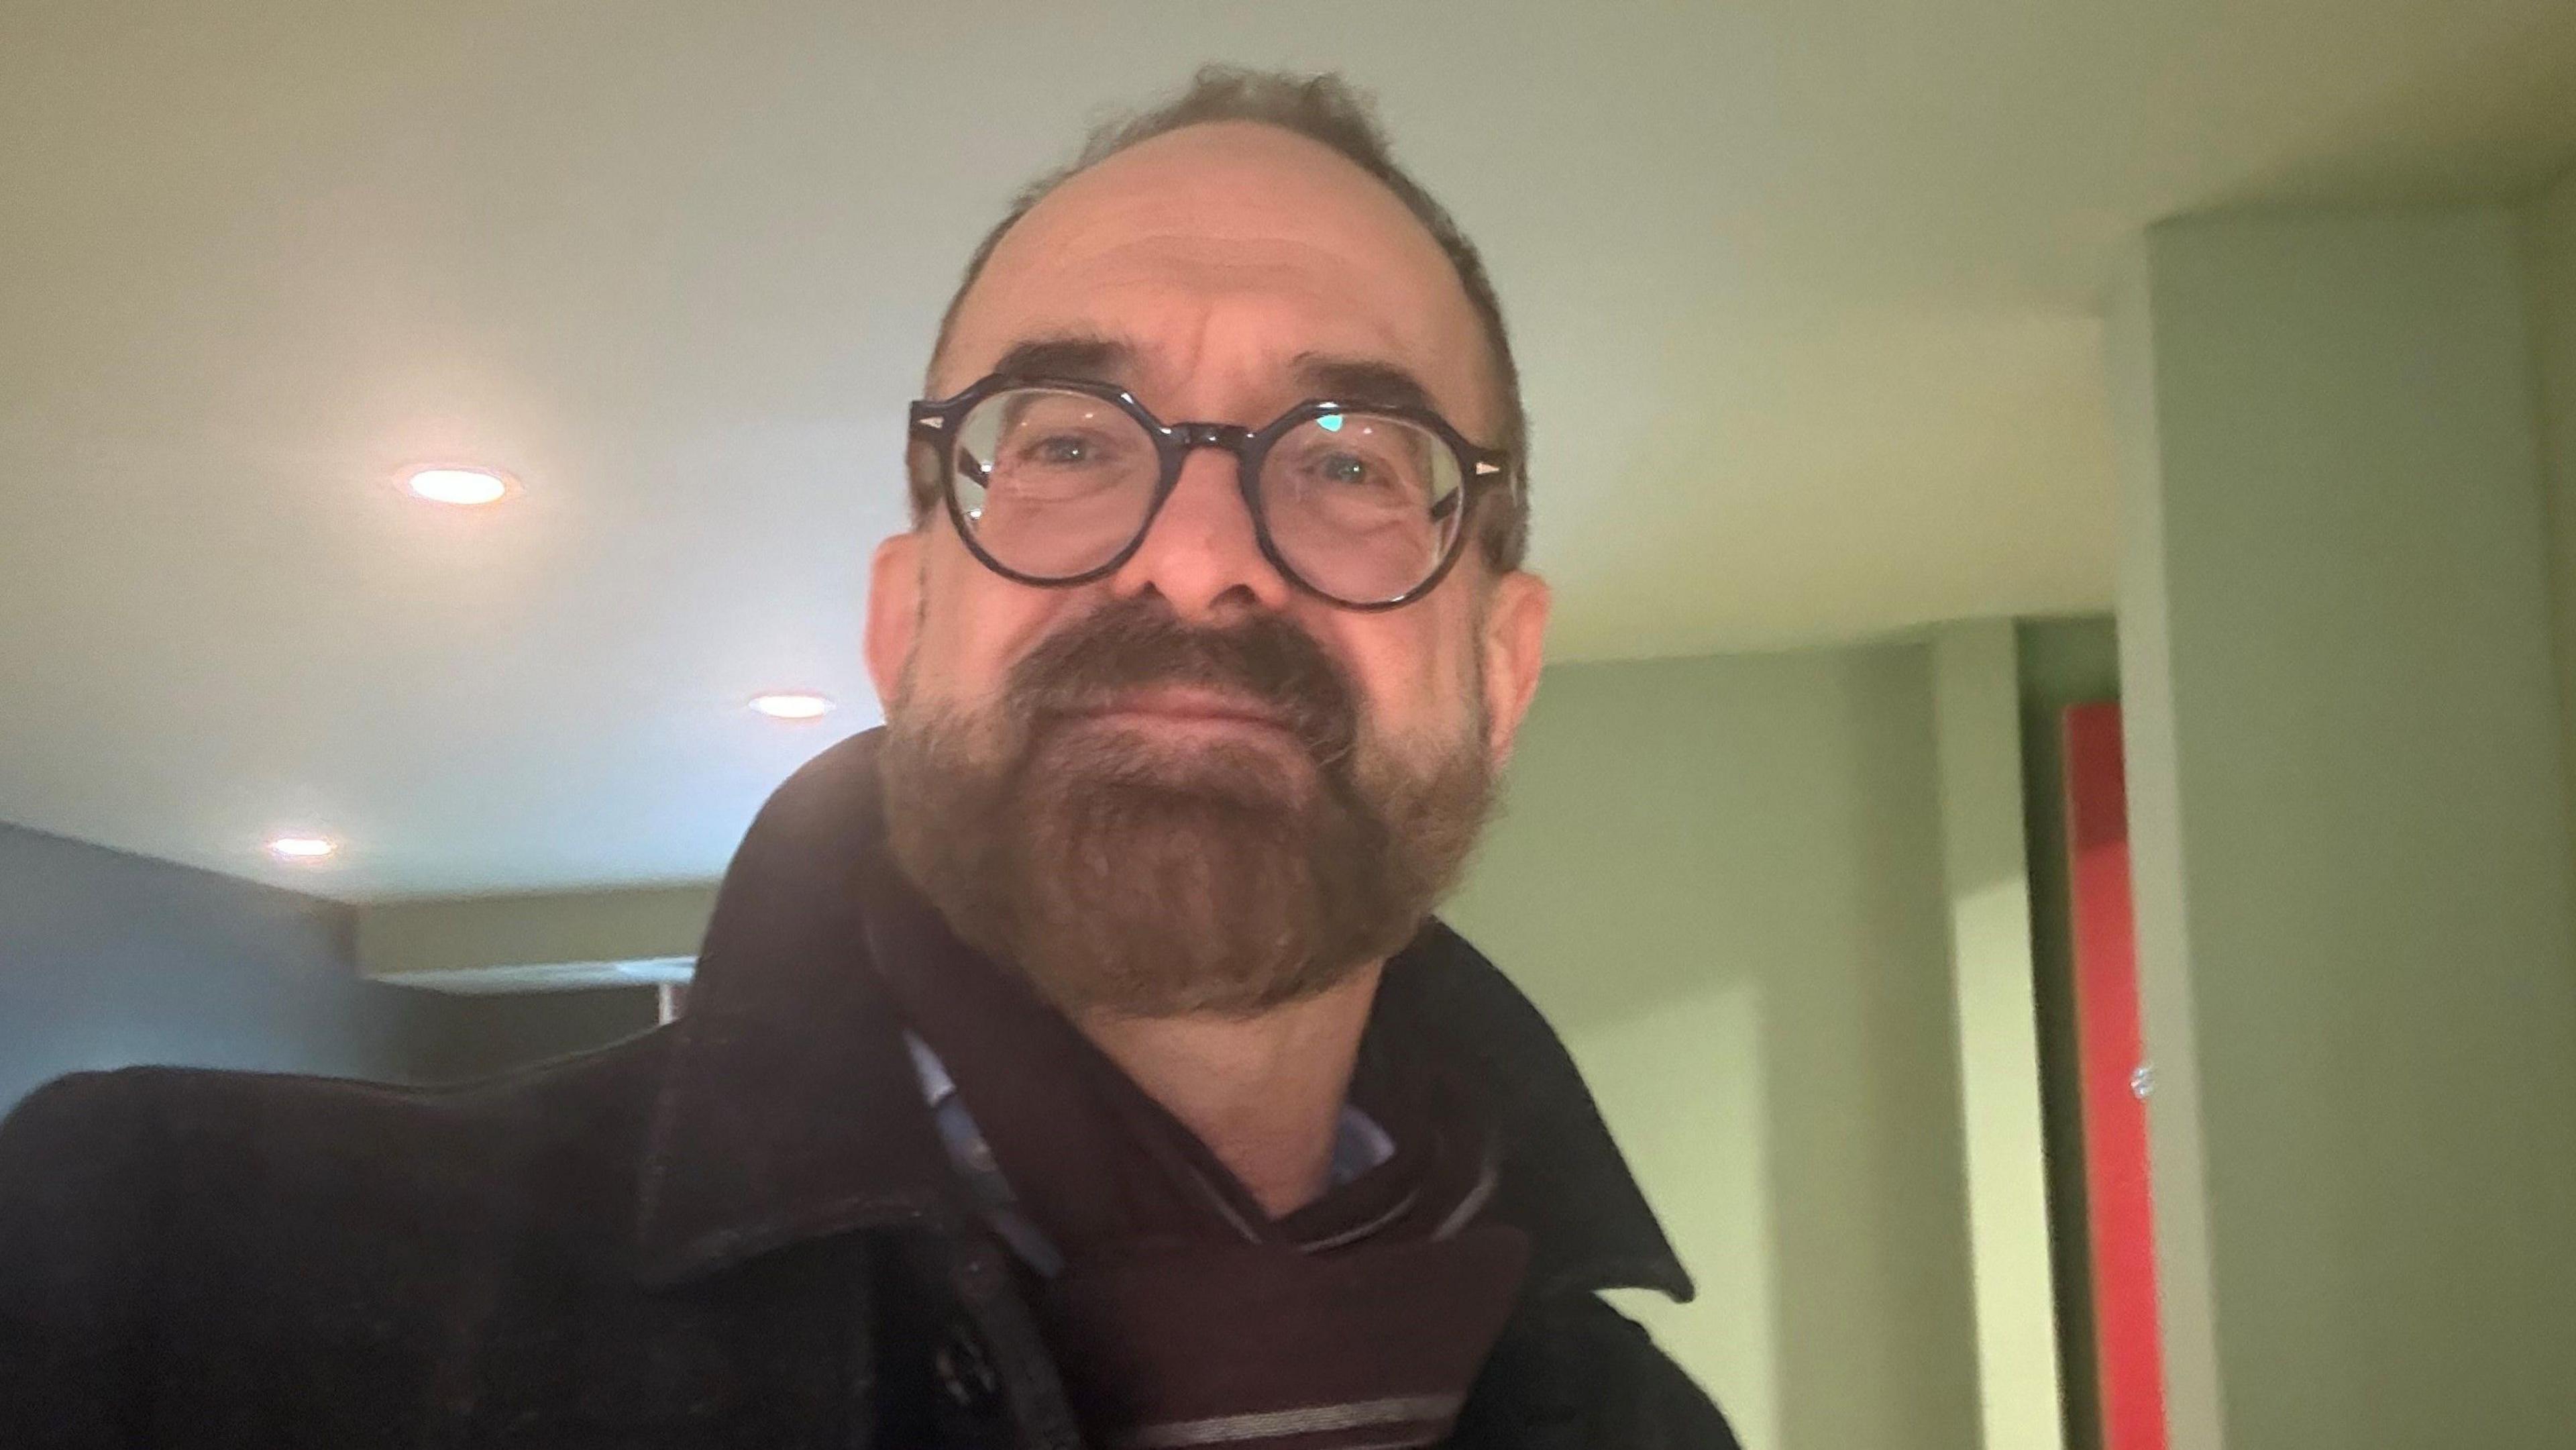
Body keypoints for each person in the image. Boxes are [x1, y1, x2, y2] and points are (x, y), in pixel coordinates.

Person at [0, 67, 1737, 1449]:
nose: (1201, 553)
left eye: (1353, 460)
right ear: (905, 624)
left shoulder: (1648, 1430)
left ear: (1502, 666)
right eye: (1066, 438)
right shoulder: (158, 1276)